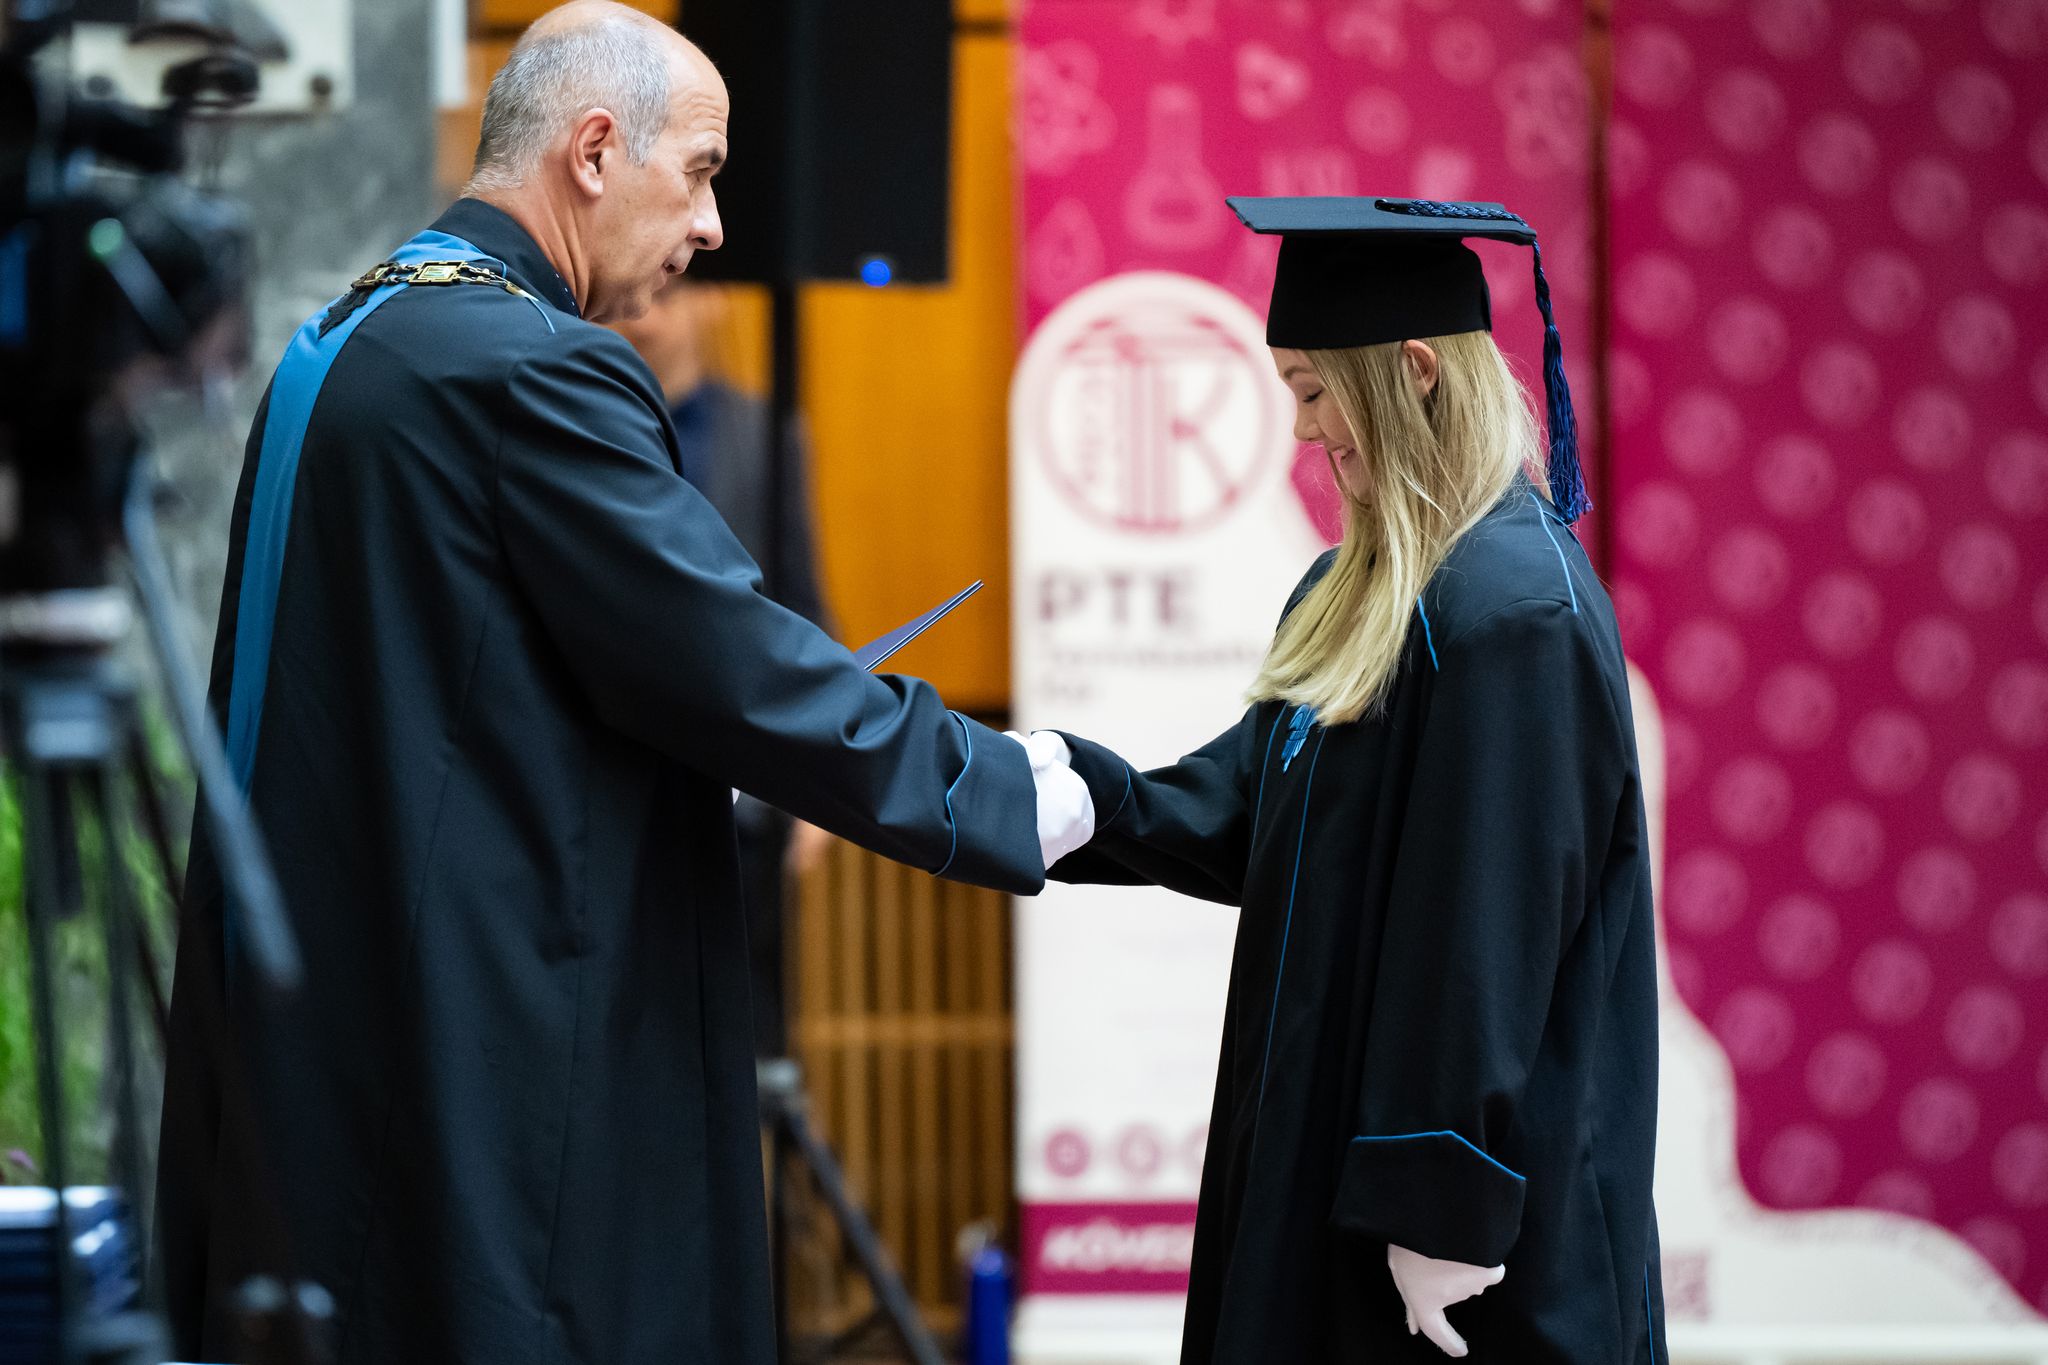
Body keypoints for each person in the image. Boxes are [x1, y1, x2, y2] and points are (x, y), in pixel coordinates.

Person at [153, 6, 1091, 1363]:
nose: (713, 226)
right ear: (594, 151)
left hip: (326, 1044)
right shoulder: (534, 369)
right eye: (699, 172)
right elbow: (733, 665)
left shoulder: (346, 336)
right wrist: (1007, 789)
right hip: (488, 1060)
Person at [1030, 197, 1664, 1363]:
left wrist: (1439, 1203)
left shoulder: (1513, 612)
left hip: (1453, 1242)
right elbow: (1246, 811)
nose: (1302, 430)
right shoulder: (1355, 590)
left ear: (1411, 373)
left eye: (1315, 391)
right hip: (1316, 1163)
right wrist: (1060, 796)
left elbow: (1483, 946)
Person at [611, 282, 833, 1058]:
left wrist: (821, 780)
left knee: (743, 1028)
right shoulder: (583, 418)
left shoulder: (765, 433)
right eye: (642, 292)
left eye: (672, 293)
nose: (650, 312)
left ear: (711, 300)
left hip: (741, 797)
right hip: (614, 782)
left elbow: (801, 603)